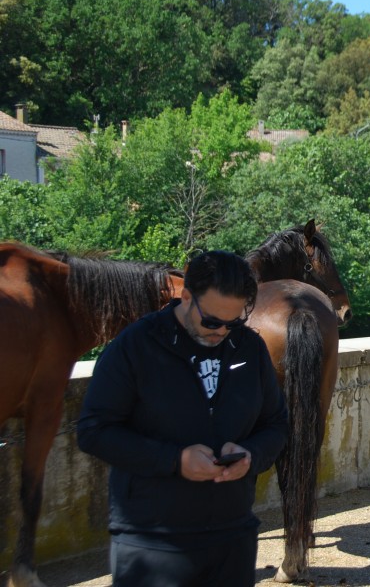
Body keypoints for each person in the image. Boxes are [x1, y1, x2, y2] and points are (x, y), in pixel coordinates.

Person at [77, 251, 288, 587]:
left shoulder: (249, 347)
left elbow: (276, 425)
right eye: (212, 321)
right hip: (153, 542)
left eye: (234, 322)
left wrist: (251, 456)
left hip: (233, 537)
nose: (223, 332)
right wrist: (175, 461)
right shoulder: (135, 346)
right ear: (186, 296)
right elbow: (93, 431)